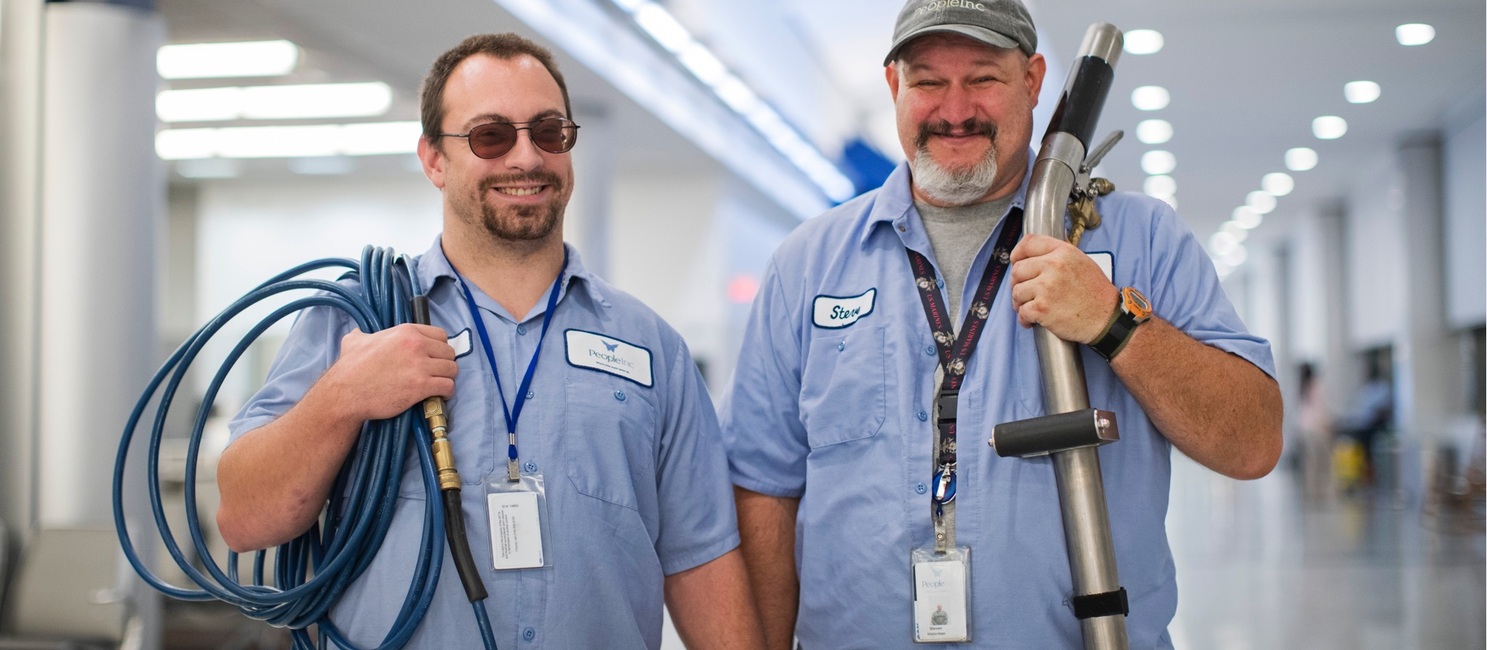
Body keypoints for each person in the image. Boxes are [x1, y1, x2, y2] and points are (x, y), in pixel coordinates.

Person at [720, 1, 1283, 647]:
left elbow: (1250, 442)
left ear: (1034, 80)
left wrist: (1113, 323)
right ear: (893, 87)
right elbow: (763, 486)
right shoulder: (808, 262)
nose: (954, 109)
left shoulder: (1141, 238)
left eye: (983, 77)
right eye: (928, 81)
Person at [215, 33, 764, 649]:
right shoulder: (358, 321)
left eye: (549, 132)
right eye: (491, 135)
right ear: (434, 159)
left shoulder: (652, 348)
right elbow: (245, 518)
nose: (526, 157)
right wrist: (341, 396)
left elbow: (700, 558)